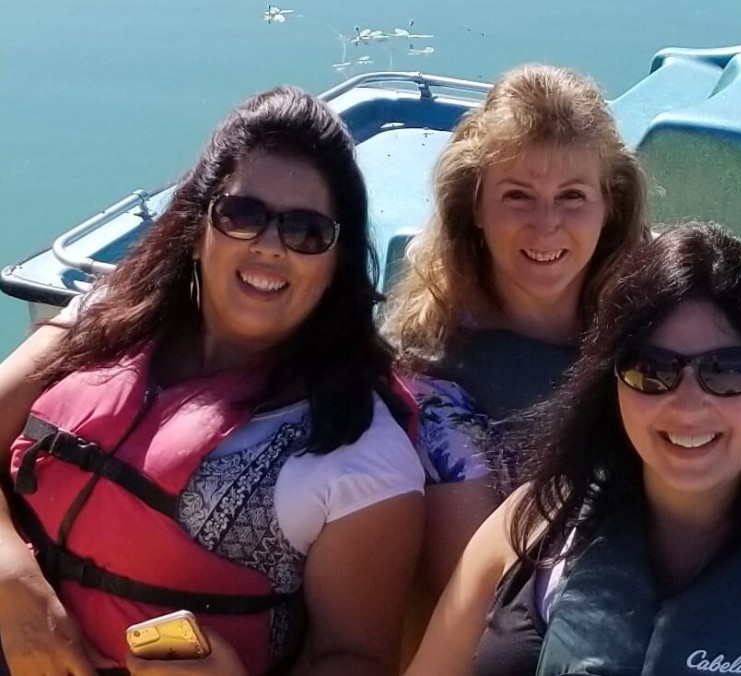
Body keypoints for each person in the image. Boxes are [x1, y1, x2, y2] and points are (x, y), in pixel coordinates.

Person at [383, 63, 741, 595]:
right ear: (474, 205)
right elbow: (483, 600)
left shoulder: (672, 299)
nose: (546, 224)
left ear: (611, 204)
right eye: (517, 195)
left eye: (573, 196)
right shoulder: (438, 380)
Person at [0, 86, 425, 676]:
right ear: (199, 230)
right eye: (243, 215)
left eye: (306, 231)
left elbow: (354, 659)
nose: (270, 247)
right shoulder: (101, 317)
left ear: (337, 263)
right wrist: (11, 577)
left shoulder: (360, 457)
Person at [406, 223, 741, 676]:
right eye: (652, 369)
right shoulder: (534, 525)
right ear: (610, 382)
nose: (688, 404)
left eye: (728, 370)